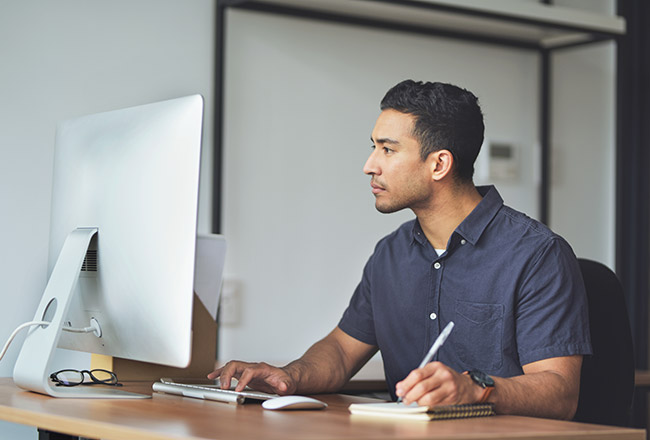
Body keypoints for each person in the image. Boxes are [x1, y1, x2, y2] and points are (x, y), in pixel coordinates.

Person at [208, 80, 592, 420]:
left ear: (439, 164)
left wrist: (476, 388)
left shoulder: (537, 254)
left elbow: (560, 393)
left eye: (388, 150)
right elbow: (342, 351)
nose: (369, 165)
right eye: (373, 147)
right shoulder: (390, 254)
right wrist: (289, 375)